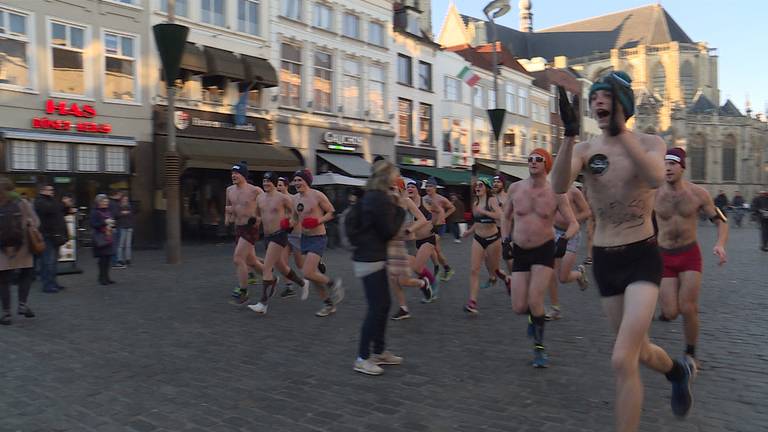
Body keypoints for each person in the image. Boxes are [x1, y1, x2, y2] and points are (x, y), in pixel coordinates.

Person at [551, 72, 697, 431]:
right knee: (640, 351)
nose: (598, 103)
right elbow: (558, 184)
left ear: (623, 104)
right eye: (595, 98)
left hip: (642, 258)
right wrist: (568, 137)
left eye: (607, 97)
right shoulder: (586, 149)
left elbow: (652, 178)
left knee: (621, 359)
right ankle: (677, 372)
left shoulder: (650, 143)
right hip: (605, 260)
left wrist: (622, 133)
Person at [503, 148, 578, 368]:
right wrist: (505, 240)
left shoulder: (556, 192)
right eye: (530, 158)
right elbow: (505, 216)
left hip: (544, 249)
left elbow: (574, 223)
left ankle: (539, 347)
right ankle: (534, 318)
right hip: (520, 250)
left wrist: (564, 239)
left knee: (536, 299)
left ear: (547, 164)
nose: (533, 162)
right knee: (518, 306)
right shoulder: (515, 188)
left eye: (538, 159)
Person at [654, 147, 728, 362]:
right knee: (670, 312)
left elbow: (721, 221)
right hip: (664, 255)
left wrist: (720, 244)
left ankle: (690, 353)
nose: (667, 168)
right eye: (665, 164)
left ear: (682, 167)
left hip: (689, 254)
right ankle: (667, 307)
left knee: (689, 308)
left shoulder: (699, 194)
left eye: (673, 164)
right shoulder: (653, 193)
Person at [351, 160, 406, 375]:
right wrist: (400, 209)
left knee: (383, 305)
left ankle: (379, 351)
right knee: (376, 307)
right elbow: (388, 232)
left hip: (370, 256)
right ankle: (362, 357)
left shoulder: (371, 195)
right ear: (387, 177)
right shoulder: (379, 198)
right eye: (395, 176)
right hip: (369, 258)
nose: (397, 179)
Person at [248, 173, 309, 315]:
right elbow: (257, 214)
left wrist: (291, 224)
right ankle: (302, 283)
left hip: (279, 235)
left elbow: (296, 213)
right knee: (281, 267)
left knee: (267, 267)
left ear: (274, 183)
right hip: (267, 236)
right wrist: (254, 221)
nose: (266, 183)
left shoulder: (283, 198)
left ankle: (263, 303)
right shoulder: (260, 197)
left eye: (269, 181)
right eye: (264, 181)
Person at [292, 169, 343, 317]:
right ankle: (328, 305)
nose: (296, 183)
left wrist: (317, 221)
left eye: (299, 180)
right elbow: (295, 218)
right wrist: (287, 224)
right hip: (305, 238)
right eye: (295, 180)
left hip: (318, 237)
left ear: (306, 181)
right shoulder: (294, 199)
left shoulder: (317, 195)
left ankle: (333, 284)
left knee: (307, 272)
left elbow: (332, 212)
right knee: (312, 275)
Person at [389, 178, 432, 321]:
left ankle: (423, 283)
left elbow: (422, 219)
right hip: (393, 245)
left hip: (407, 244)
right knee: (393, 279)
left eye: (393, 188)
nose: (390, 192)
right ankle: (403, 308)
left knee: (403, 280)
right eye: (388, 189)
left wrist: (409, 230)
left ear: (400, 189)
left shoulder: (406, 202)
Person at [547, 185, 591, 320]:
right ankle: (555, 308)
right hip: (554, 232)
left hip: (571, 235)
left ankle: (579, 274)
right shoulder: (550, 189)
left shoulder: (574, 191)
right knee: (551, 272)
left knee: (563, 277)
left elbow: (587, 211)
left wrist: (571, 218)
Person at [462, 178, 506, 314]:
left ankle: (507, 279)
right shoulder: (475, 202)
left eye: (480, 185)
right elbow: (477, 221)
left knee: (496, 270)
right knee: (474, 270)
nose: (477, 187)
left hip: (493, 239)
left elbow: (500, 215)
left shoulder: (491, 201)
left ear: (486, 187)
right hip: (478, 239)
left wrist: (485, 211)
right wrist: (469, 232)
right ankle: (472, 302)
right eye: (476, 186)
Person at [0, 177, 39, 325]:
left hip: (2, 248)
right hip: (21, 246)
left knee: (3, 281)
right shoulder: (22, 202)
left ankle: (6, 313)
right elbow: (36, 222)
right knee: (26, 274)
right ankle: (22, 304)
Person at [225, 161, 264, 305]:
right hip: (239, 228)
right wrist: (227, 218)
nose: (233, 175)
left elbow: (265, 206)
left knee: (238, 258)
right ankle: (270, 278)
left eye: (236, 173)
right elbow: (228, 206)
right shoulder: (229, 190)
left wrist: (259, 219)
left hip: (251, 228)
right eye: (232, 173)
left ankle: (243, 291)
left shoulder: (255, 190)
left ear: (244, 175)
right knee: (251, 261)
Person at [407, 181, 439, 299]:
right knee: (416, 268)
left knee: (417, 268)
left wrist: (435, 225)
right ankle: (429, 283)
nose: (410, 189)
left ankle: (432, 283)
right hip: (414, 241)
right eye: (408, 187)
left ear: (417, 189)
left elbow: (439, 211)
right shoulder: (406, 203)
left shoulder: (426, 201)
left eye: (413, 187)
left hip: (428, 238)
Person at [34, 183, 67, 293]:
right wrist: (62, 203)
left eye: (52, 190)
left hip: (55, 235)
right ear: (42, 190)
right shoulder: (40, 201)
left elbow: (58, 211)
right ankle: (47, 284)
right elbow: (50, 209)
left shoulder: (51, 201)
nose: (52, 191)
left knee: (53, 261)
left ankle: (53, 282)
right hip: (47, 235)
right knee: (48, 261)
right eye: (50, 190)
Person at [424, 179, 455, 281]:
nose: (428, 188)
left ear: (435, 188)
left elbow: (452, 208)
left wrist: (444, 216)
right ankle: (447, 269)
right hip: (429, 226)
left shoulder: (441, 199)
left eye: (430, 186)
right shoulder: (424, 199)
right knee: (436, 250)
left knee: (433, 247)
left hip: (439, 226)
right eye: (427, 186)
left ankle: (439, 269)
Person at [90, 195, 116, 286]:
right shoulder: (95, 212)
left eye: (106, 202)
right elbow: (93, 224)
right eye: (104, 202)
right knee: (103, 259)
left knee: (108, 258)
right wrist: (104, 222)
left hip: (108, 236)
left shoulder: (108, 211)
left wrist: (112, 223)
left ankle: (107, 277)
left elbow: (111, 221)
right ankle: (102, 278)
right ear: (99, 202)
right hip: (100, 237)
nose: (106, 203)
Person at [115, 194, 134, 267]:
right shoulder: (118, 207)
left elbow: (132, 216)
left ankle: (128, 259)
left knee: (128, 245)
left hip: (129, 226)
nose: (125, 200)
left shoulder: (130, 207)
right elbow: (116, 215)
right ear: (121, 199)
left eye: (126, 199)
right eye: (124, 199)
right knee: (121, 244)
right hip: (122, 226)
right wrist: (122, 213)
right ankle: (120, 259)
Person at [108, 190, 124, 268]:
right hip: (116, 226)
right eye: (120, 194)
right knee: (115, 245)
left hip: (112, 225)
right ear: (117, 194)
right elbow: (115, 214)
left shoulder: (109, 202)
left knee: (113, 244)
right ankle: (114, 262)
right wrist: (122, 213)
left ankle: (112, 261)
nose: (121, 196)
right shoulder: (114, 203)